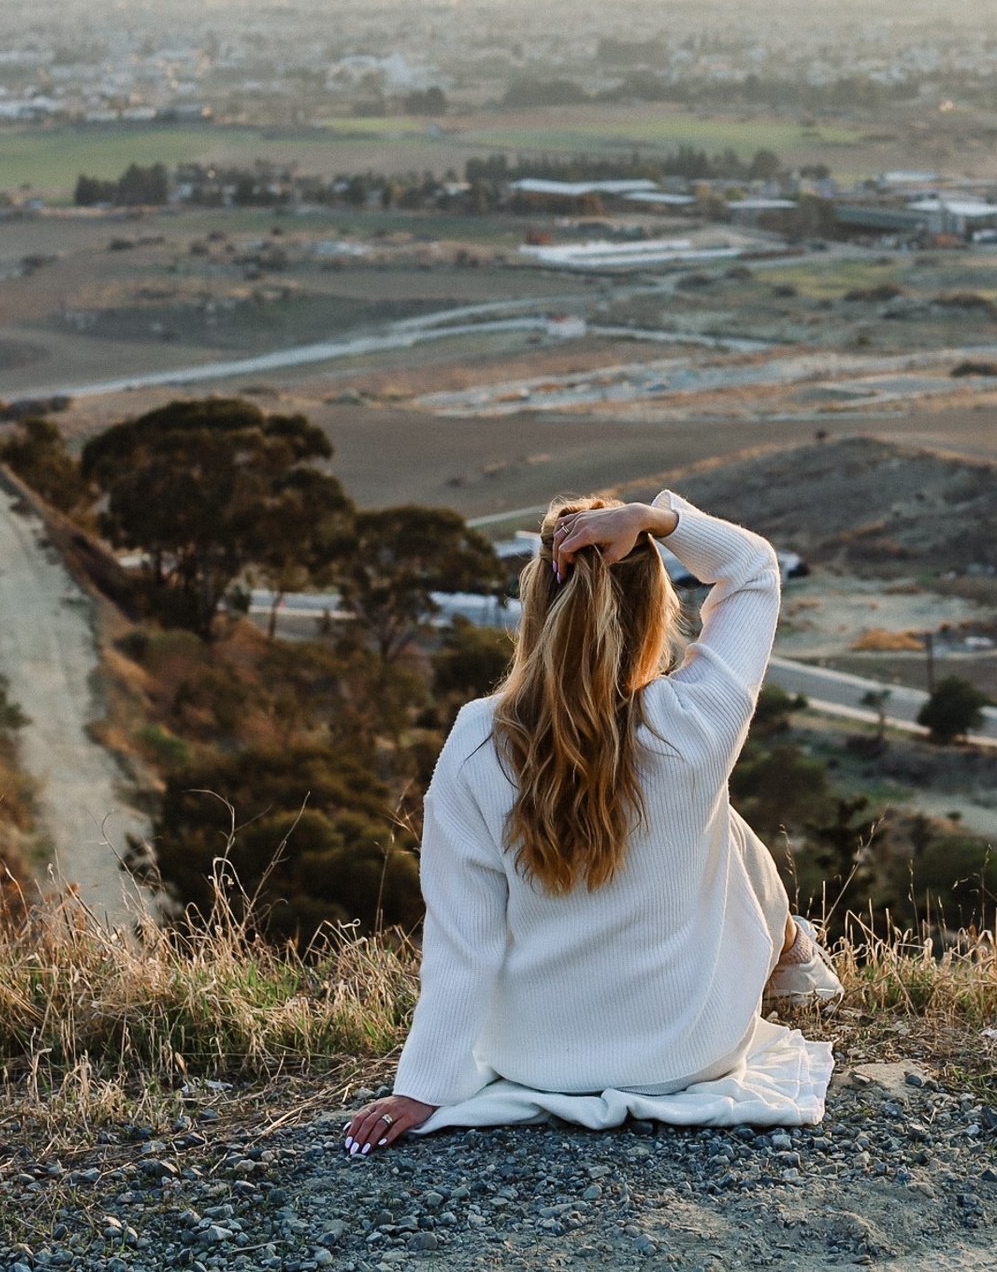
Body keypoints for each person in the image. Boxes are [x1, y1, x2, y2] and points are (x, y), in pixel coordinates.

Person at [344, 490, 838, 1155]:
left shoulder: (473, 742)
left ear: (536, 609)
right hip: (687, 1054)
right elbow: (752, 569)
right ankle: (793, 949)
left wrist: (421, 1087)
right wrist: (654, 518)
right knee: (726, 827)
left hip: (536, 1061)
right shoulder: (696, 724)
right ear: (656, 611)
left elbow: (465, 943)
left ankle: (789, 946)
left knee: (721, 823)